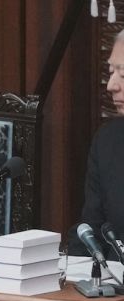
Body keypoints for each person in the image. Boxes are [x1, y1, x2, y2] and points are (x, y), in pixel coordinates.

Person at [79, 28, 124, 246]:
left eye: (122, 75)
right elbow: (91, 228)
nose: (111, 86)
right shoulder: (107, 141)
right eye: (111, 72)